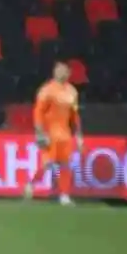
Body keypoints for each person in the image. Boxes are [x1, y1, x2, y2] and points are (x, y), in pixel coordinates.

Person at [25, 61, 82, 205]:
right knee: (47, 164)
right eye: (58, 70)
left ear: (68, 73)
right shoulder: (47, 90)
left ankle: (64, 196)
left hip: (65, 134)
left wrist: (79, 136)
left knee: (65, 165)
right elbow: (38, 112)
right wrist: (39, 132)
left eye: (63, 70)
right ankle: (31, 185)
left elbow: (74, 115)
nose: (60, 72)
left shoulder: (72, 91)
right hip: (49, 133)